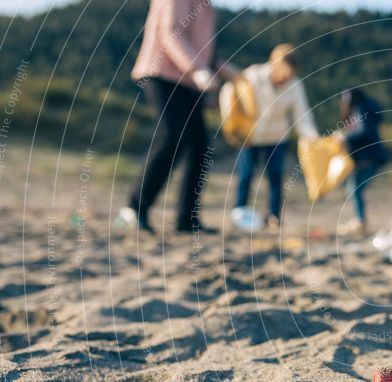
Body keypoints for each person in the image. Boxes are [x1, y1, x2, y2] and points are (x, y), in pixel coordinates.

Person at [119, 0, 238, 234]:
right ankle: (135, 209)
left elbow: (204, 50)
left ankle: (187, 220)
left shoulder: (207, 6)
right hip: (161, 73)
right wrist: (198, 71)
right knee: (171, 135)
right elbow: (171, 33)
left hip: (189, 81)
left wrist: (231, 73)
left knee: (200, 146)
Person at [233, 44, 319, 230]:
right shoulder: (251, 76)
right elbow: (235, 103)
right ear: (274, 64)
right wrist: (237, 131)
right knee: (246, 175)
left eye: (290, 74)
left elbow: (302, 115)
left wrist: (311, 137)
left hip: (277, 138)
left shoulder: (295, 84)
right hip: (251, 137)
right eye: (284, 73)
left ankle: (273, 216)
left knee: (275, 178)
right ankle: (239, 213)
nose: (286, 78)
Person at [337, 88, 388, 236]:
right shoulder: (362, 110)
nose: (343, 103)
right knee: (355, 188)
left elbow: (364, 131)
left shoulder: (361, 109)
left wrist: (345, 137)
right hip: (368, 157)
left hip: (369, 157)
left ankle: (360, 221)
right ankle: (360, 220)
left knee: (355, 188)